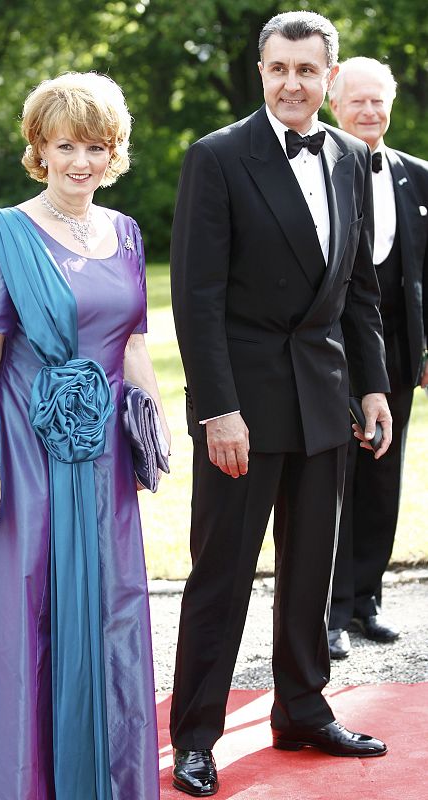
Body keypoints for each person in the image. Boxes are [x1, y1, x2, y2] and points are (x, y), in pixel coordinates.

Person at [169, 11, 393, 797]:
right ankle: (194, 734)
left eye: (307, 70)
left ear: (328, 77)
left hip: (326, 396)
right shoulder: (217, 158)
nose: (292, 83)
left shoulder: (346, 156)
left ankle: (301, 709)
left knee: (310, 572)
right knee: (221, 574)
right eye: (278, 69)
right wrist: (216, 411)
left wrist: (370, 383)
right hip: (244, 404)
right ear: (260, 72)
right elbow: (194, 299)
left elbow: (358, 288)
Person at [0, 72, 170, 800]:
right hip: (20, 457)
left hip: (100, 461)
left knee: (108, 613)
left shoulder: (124, 231)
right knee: (15, 616)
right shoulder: (4, 231)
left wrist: (152, 430)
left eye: (96, 147)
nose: (80, 162)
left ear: (114, 151)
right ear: (39, 147)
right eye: (65, 145)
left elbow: (130, 344)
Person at [326, 57, 428, 659]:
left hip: (398, 353)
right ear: (335, 104)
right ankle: (329, 610)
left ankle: (367, 599)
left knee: (384, 474)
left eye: (378, 101)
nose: (369, 111)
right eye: (357, 100)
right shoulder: (318, 169)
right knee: (335, 478)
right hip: (333, 352)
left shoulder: (418, 177)